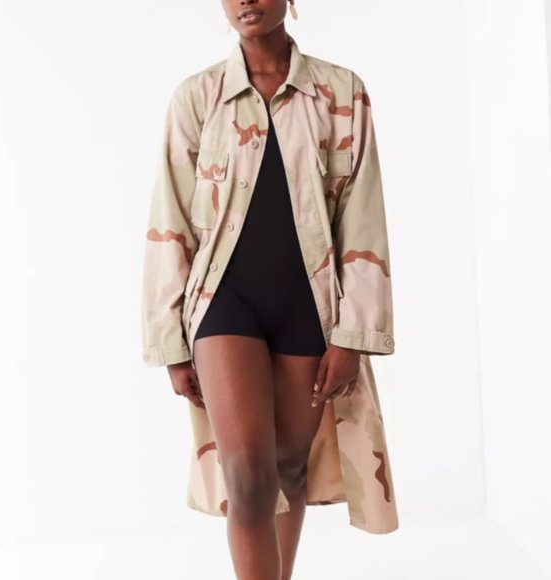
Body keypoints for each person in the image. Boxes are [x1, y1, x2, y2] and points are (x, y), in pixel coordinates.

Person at [141, 1, 398, 578]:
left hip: (309, 303)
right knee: (248, 476)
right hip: (222, 302)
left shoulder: (341, 92)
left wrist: (353, 335)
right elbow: (169, 218)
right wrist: (170, 341)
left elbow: (363, 219)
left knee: (287, 469)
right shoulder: (198, 97)